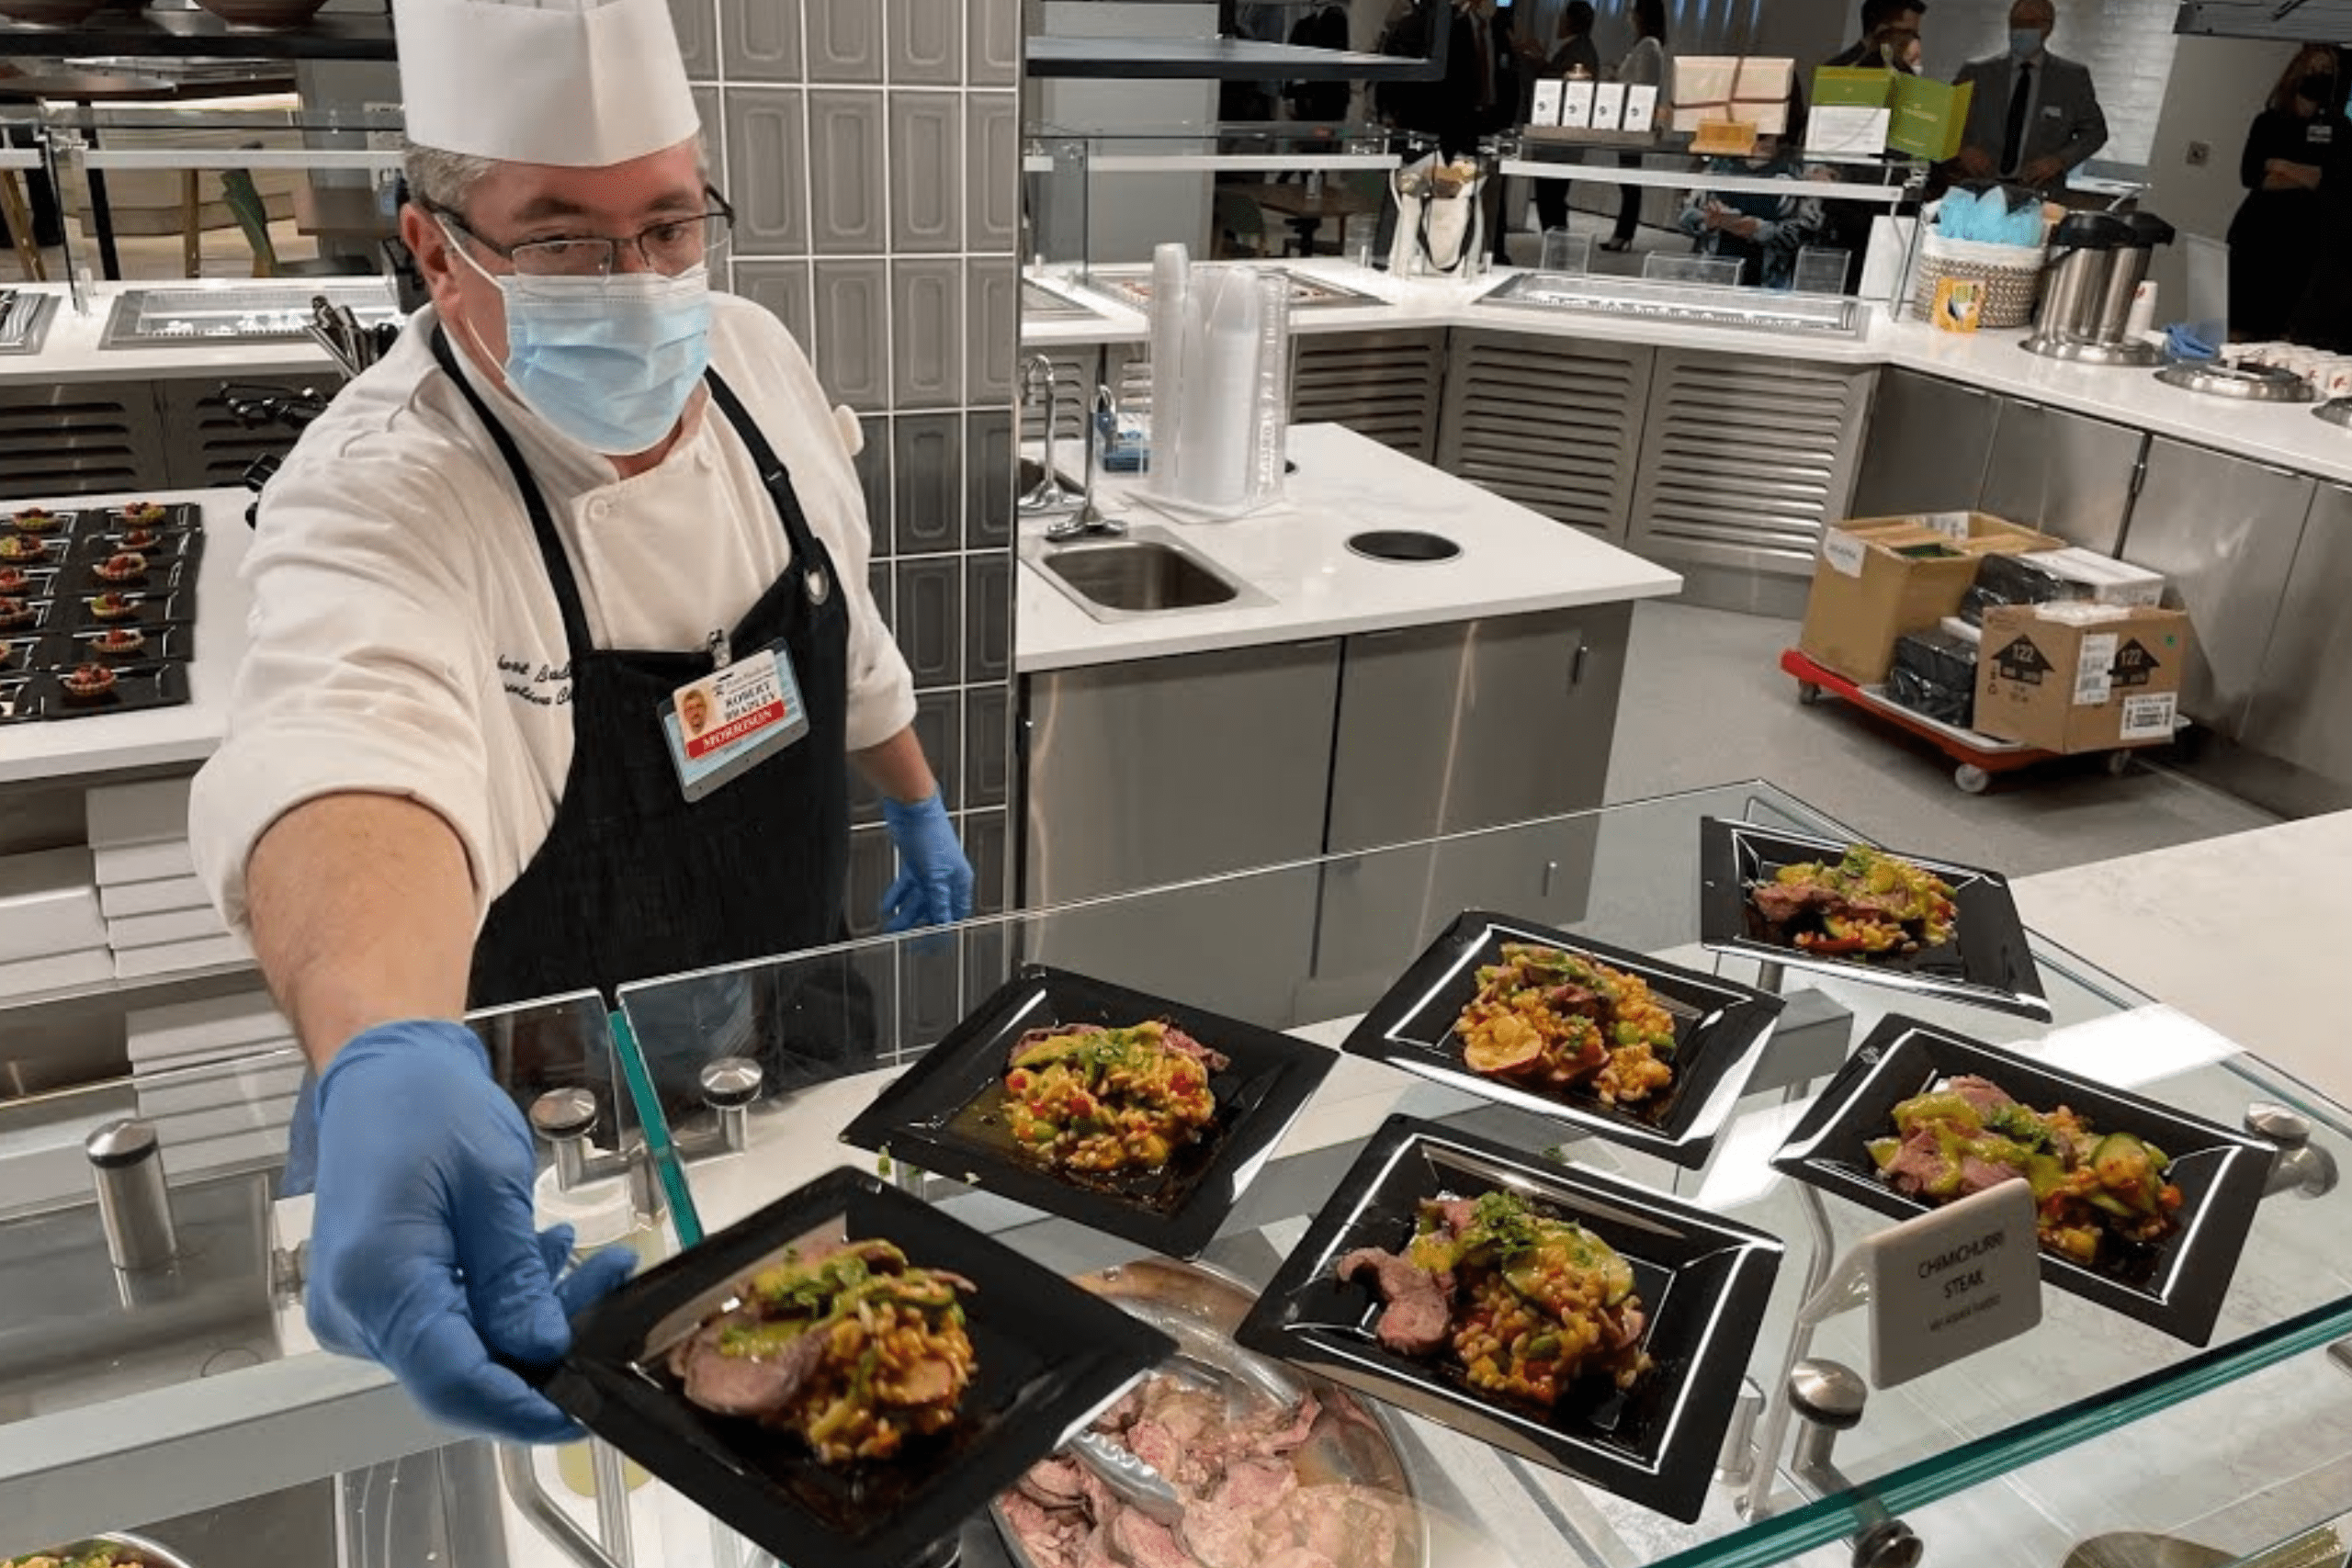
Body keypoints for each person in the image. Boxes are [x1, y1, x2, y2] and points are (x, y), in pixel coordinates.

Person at [187, 0, 972, 1445]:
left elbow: (840, 608)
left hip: (784, 1010)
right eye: (564, 241)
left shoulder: (748, 355)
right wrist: (378, 1045)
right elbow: (348, 741)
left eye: (670, 225)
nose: (640, 282)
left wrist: (915, 793)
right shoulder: (379, 483)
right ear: (434, 246)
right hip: (543, 1122)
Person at [2228, 46, 2348, 342]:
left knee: (2283, 331)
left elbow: (2331, 181)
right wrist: (2307, 174)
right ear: (2297, 72)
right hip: (2258, 232)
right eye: (2314, 70)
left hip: (2305, 238)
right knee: (2238, 322)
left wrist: (2280, 165)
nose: (2319, 77)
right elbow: (2253, 177)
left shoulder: (2340, 127)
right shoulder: (2268, 121)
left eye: (2327, 72)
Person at [1951, 0, 2107, 196]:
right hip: (1978, 187)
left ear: (2049, 27)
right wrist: (1963, 150)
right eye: (2016, 23)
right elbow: (1947, 124)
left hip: (2039, 190)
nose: (2022, 30)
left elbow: (2095, 132)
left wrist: (2059, 160)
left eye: (2032, 24)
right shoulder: (1977, 72)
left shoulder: (2071, 79)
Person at [1676, 98, 1831, 288]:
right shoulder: (1717, 163)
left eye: (1769, 134)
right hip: (1714, 277)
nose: (1762, 142)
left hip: (1773, 282)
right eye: (1755, 134)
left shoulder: (1801, 171)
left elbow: (1811, 233)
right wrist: (1708, 221)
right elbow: (1684, 215)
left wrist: (1757, 230)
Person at [1601, 0, 1670, 254]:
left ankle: (1623, 233)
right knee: (1627, 178)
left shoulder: (1648, 46)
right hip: (1633, 119)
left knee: (1629, 179)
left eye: (1633, 12)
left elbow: (1641, 85)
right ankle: (1623, 232)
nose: (1629, 17)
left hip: (1634, 120)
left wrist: (1617, 78)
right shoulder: (1648, 46)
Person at [1532, 1, 1600, 241]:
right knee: (1552, 196)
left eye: (1562, 18)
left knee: (1551, 196)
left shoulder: (1579, 52)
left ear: (1572, 21)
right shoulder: (1580, 48)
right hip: (1562, 140)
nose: (1558, 24)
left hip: (1560, 139)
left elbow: (1561, 88)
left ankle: (1556, 245)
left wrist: (1538, 62)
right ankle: (1555, 243)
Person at [1826, 0, 1926, 72]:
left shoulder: (1902, 72)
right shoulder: (1834, 71)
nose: (1914, 40)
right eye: (1907, 32)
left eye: (1916, 34)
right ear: (1881, 31)